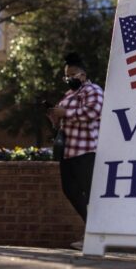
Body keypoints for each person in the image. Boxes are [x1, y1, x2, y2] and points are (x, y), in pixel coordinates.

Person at [47, 52, 103, 250]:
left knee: (89, 194)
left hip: (87, 150)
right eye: (66, 76)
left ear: (83, 74)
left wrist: (66, 113)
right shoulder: (68, 95)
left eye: (73, 74)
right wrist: (55, 118)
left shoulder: (92, 90)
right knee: (69, 190)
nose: (70, 78)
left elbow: (94, 112)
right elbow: (62, 122)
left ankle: (94, 235)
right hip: (68, 151)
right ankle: (93, 231)